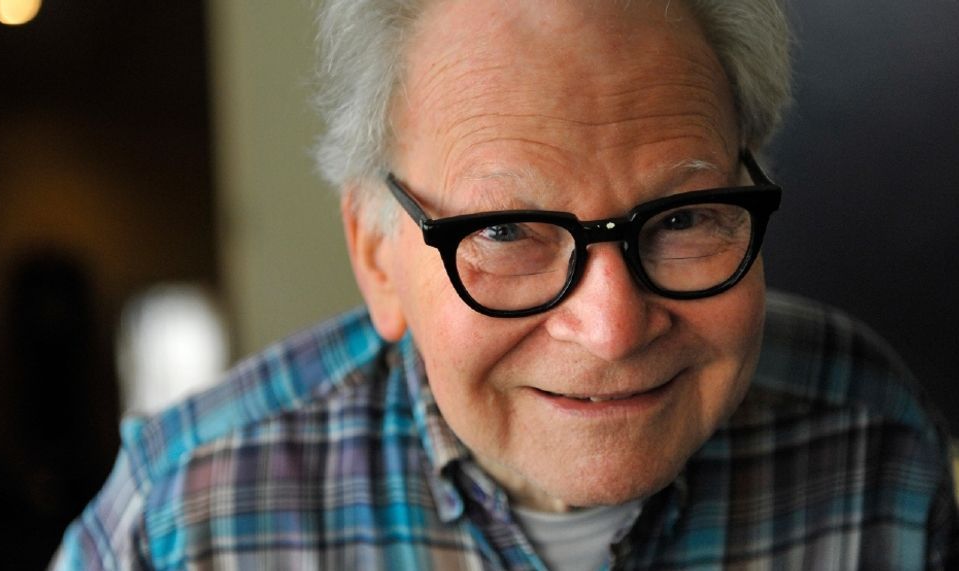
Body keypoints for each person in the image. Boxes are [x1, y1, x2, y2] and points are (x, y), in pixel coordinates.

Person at [52, 0, 958, 568]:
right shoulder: (182, 521)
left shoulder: (870, 438)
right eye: (504, 231)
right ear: (376, 253)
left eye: (681, 217)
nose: (610, 327)